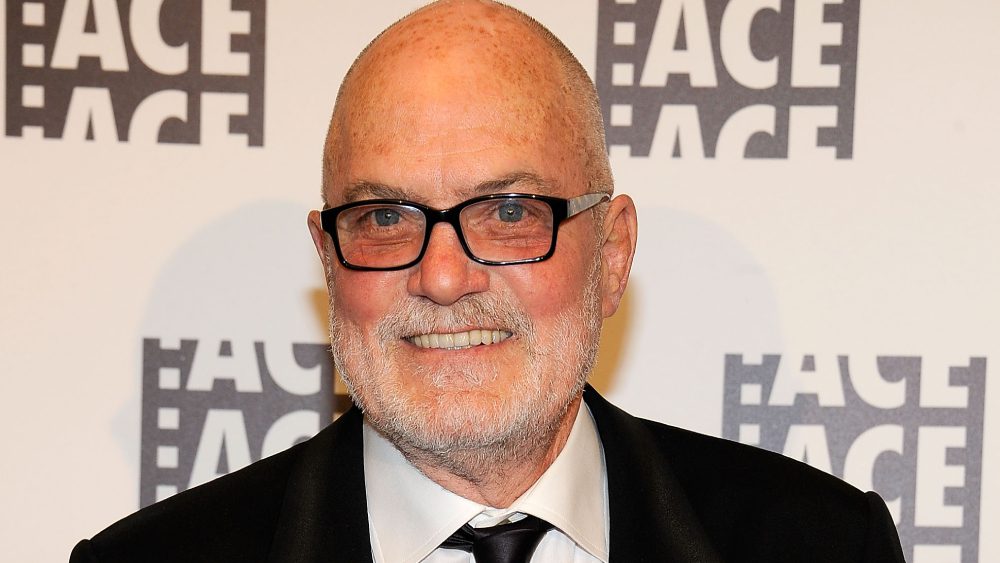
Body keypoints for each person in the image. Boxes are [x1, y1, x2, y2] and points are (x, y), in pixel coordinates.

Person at [70, 1, 905, 561]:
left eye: (508, 210)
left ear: (611, 256)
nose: (441, 275)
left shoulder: (825, 545)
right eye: (386, 217)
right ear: (329, 261)